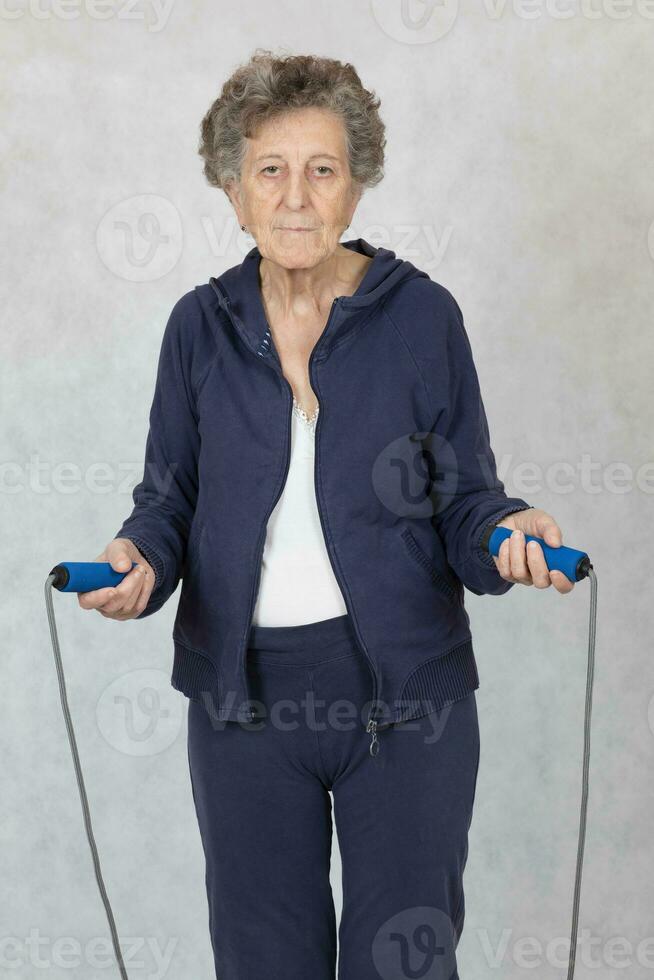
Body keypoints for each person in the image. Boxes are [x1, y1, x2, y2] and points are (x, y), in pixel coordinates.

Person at [79, 50, 575, 980]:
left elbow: (467, 499)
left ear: (356, 189)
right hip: (243, 706)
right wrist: (138, 560)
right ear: (233, 191)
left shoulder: (422, 317)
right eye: (270, 170)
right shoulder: (199, 326)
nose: (296, 195)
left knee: (405, 967)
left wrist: (509, 532)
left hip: (404, 701)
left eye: (323, 169)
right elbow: (168, 499)